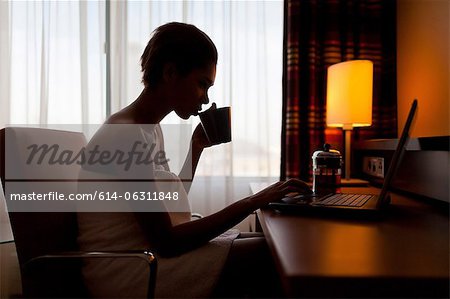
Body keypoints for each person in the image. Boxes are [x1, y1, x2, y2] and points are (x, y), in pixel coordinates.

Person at [77, 22, 310, 298]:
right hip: (131, 271)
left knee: (272, 247)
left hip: (147, 255)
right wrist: (252, 201)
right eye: (202, 84)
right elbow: (167, 242)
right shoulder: (125, 136)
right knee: (271, 256)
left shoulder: (148, 128)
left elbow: (169, 204)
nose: (206, 99)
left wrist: (196, 148)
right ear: (170, 72)